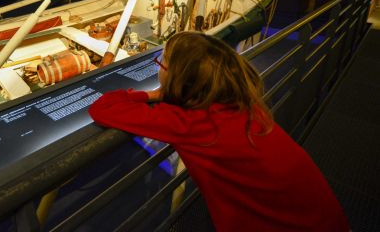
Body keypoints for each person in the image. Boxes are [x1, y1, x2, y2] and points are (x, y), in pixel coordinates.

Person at [89, 31, 349, 232]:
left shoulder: (189, 123)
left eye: (162, 61)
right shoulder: (242, 103)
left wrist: (154, 94)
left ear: (177, 76)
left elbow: (103, 107)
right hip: (324, 219)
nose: (160, 67)